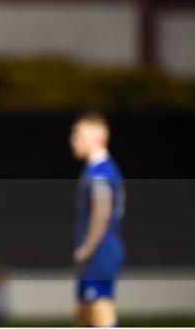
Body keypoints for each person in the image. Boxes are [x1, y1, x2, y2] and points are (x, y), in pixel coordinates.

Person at [69, 112, 125, 327]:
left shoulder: (100, 172)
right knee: (86, 314)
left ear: (97, 137)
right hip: (99, 250)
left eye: (78, 135)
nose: (73, 140)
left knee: (100, 313)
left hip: (100, 251)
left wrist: (87, 249)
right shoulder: (98, 169)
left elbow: (102, 211)